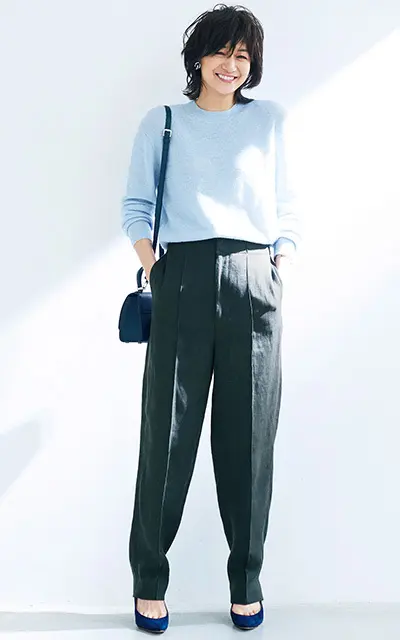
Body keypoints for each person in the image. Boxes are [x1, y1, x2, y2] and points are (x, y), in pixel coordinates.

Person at [120, 3, 301, 633]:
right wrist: (155, 267)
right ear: (197, 56)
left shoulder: (270, 121)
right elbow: (136, 204)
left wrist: (279, 262)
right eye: (222, 51)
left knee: (249, 443)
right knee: (166, 438)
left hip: (255, 278)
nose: (231, 64)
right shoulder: (164, 122)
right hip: (183, 277)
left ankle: (246, 581)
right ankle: (149, 580)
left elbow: (288, 206)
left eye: (243, 55)